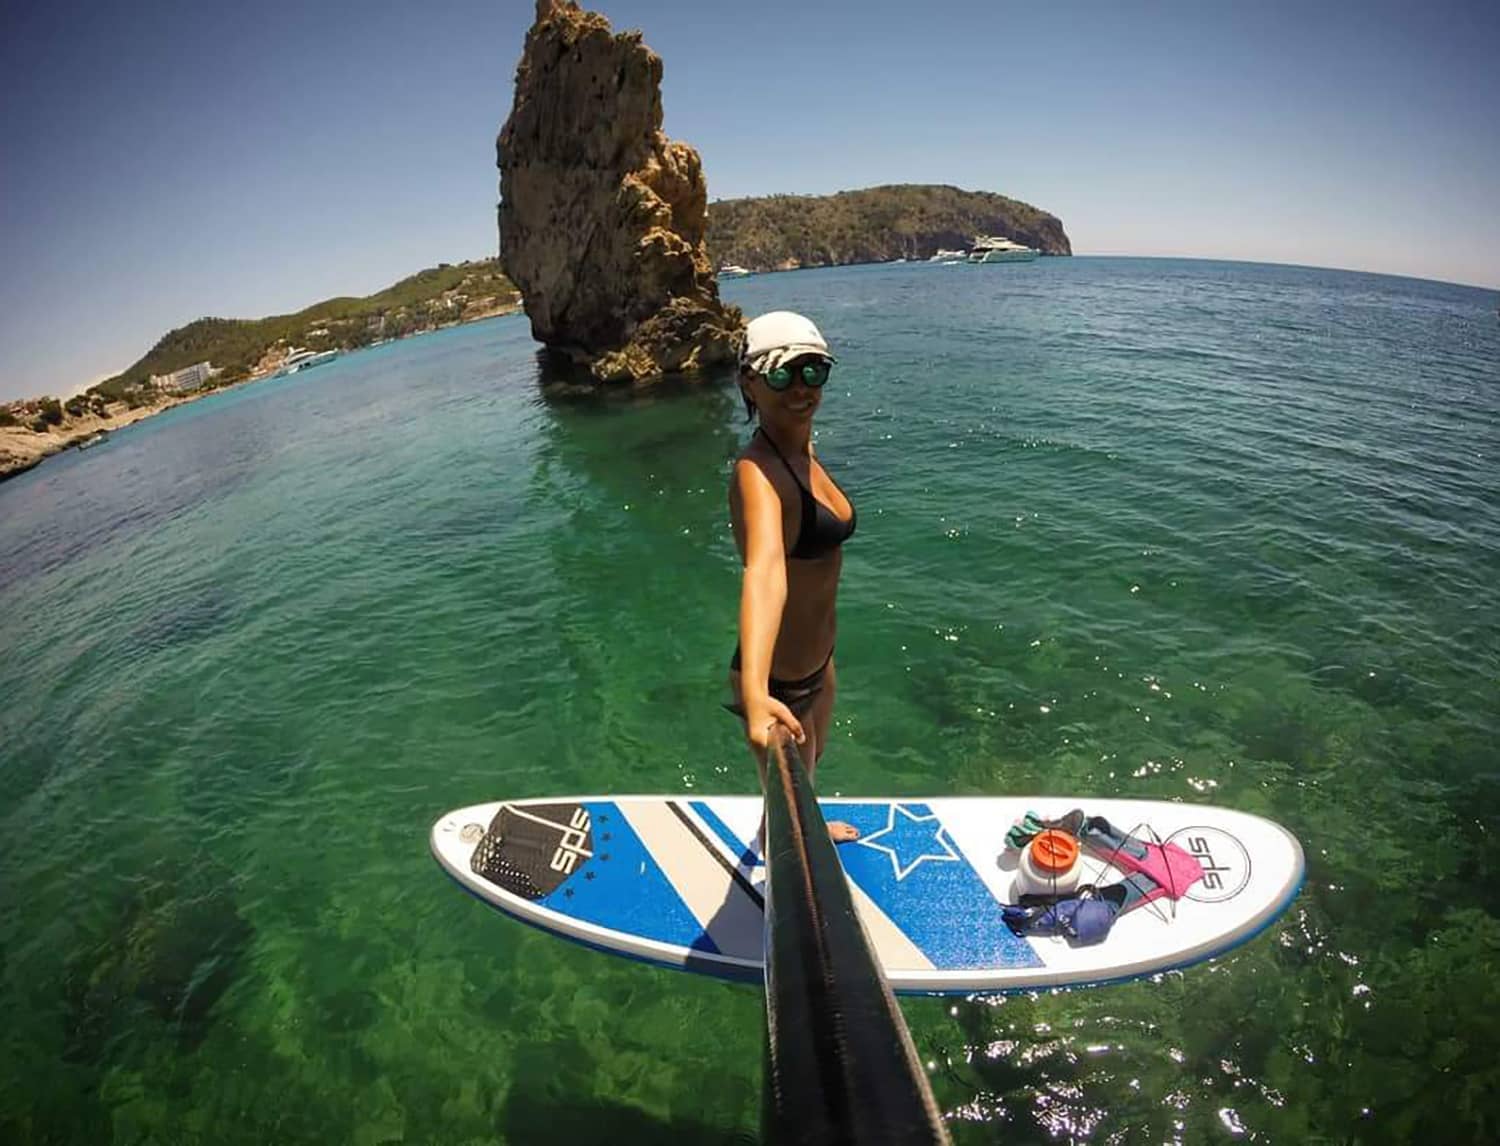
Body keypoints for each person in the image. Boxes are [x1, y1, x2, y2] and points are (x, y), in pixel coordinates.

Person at [727, 311, 859, 843]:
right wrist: (756, 694)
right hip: (781, 681)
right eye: (781, 375)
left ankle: (799, 828)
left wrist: (824, 664)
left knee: (808, 775)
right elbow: (765, 570)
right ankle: (779, 850)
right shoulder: (757, 473)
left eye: (813, 371)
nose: (800, 388)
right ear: (749, 383)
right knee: (789, 815)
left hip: (819, 664)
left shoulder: (804, 453)